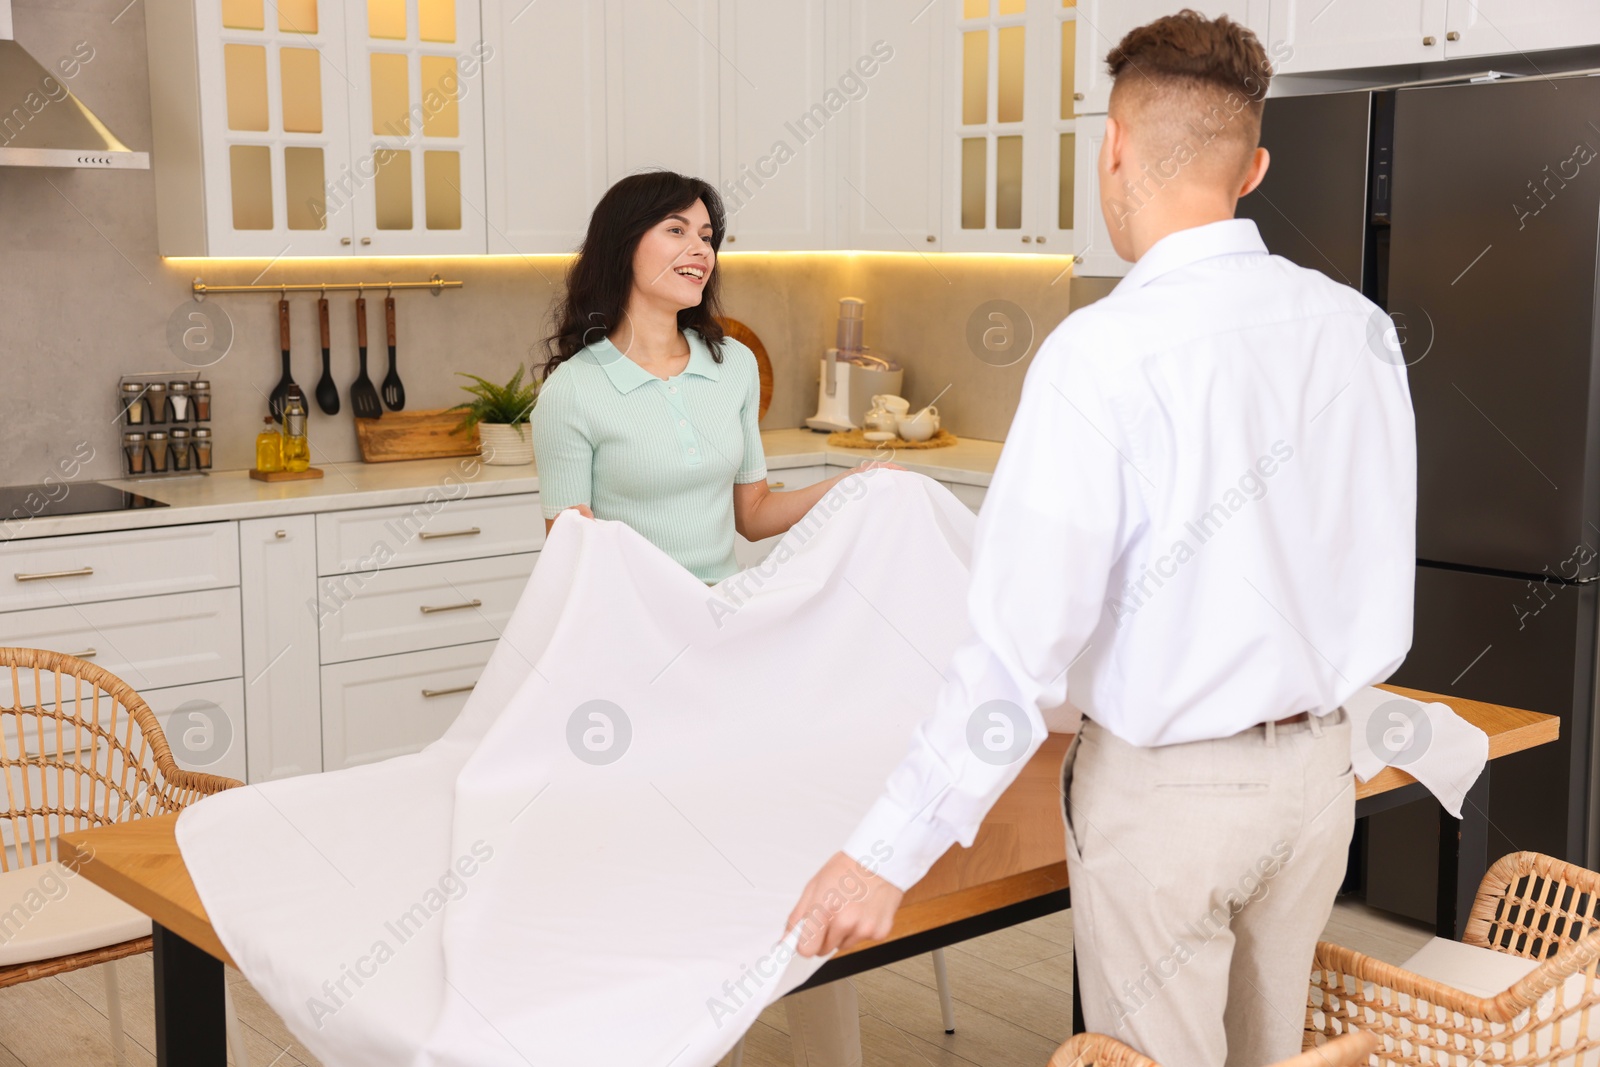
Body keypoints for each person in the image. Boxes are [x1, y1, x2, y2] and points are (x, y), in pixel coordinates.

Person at [786, 12, 1416, 1067]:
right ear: (1251, 166)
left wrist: (880, 854)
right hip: (1317, 783)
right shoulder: (1355, 327)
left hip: (1167, 802)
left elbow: (1014, 650)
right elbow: (1367, 553)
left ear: (1111, 149)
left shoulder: (1101, 352)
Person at [530, 170, 893, 1067]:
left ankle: (817, 1043)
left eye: (709, 233)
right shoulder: (573, 394)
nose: (702, 250)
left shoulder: (730, 363)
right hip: (632, 660)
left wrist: (852, 487)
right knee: (667, 872)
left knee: (771, 842)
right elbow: (573, 558)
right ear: (624, 247)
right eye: (677, 230)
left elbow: (753, 513)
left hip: (727, 641)